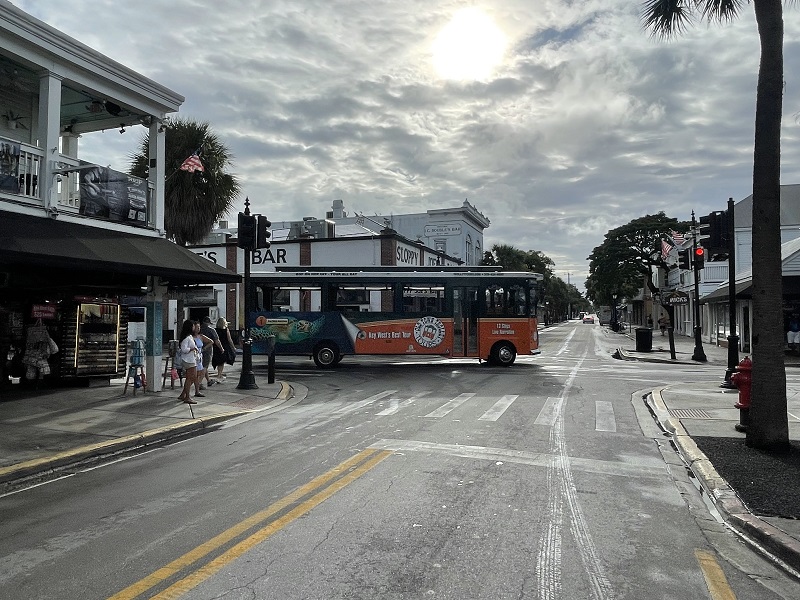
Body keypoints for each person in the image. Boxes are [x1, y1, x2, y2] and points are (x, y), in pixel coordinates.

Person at [177, 320, 200, 404]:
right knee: (190, 378)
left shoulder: (189, 336)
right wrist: (192, 349)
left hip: (191, 359)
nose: (194, 327)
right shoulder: (186, 338)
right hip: (188, 360)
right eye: (193, 326)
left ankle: (183, 394)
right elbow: (184, 349)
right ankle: (187, 397)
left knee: (191, 377)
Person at [200, 316, 225, 388]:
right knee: (205, 366)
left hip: (199, 349)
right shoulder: (211, 330)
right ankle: (200, 383)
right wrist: (221, 349)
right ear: (209, 322)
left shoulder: (199, 329)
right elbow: (217, 341)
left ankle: (208, 380)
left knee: (203, 365)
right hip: (207, 350)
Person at [193, 321, 214, 397]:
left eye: (199, 327)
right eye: (196, 327)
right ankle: (196, 387)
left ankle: (198, 387)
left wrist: (204, 348)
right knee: (193, 375)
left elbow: (211, 341)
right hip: (193, 357)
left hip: (200, 356)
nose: (198, 329)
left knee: (201, 372)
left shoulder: (201, 336)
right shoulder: (190, 337)